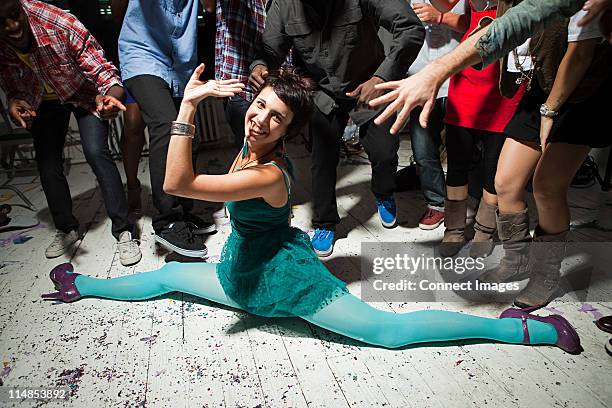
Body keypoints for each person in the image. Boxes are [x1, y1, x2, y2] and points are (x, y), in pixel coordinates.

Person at [42, 66, 581, 354]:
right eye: (258, 108)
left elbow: (176, 180)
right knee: (169, 276)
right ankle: (81, 284)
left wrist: (184, 106)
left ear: (287, 133)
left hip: (287, 283)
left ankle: (524, 330)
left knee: (386, 333)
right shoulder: (248, 145)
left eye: (274, 118)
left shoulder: (266, 173)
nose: (258, 120)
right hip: (240, 273)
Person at [250, 0, 426, 257]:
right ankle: (324, 223)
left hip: (369, 85)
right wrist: (259, 65)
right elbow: (270, 49)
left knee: (384, 151)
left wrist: (382, 77)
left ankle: (384, 192)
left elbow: (410, 28)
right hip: (322, 92)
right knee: (322, 159)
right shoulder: (284, 4)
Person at [481, 9, 612, 308]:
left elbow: (580, 56)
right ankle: (516, 260)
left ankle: (545, 275)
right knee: (505, 183)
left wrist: (550, 111)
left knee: (546, 186)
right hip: (543, 84)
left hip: (585, 92)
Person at [0, 0, 142, 266]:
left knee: (95, 150)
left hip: (86, 93)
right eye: (1, 22)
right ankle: (67, 228)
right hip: (44, 99)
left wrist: (110, 97)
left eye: (14, 15)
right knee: (47, 160)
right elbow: (11, 81)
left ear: (21, 5)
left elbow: (104, 72)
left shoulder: (59, 23)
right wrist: (14, 100)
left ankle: (124, 230)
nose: (12, 26)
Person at [369, 0, 611, 132]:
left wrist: (549, 112)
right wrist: (436, 70)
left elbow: (579, 55)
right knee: (511, 184)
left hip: (572, 90)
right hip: (528, 82)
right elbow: (515, 23)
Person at [118, 0, 216, 258]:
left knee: (188, 135)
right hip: (142, 55)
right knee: (166, 125)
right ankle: (168, 220)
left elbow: (210, 7)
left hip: (180, 64)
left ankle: (184, 211)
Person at [406, 1, 469, 231]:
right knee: (423, 148)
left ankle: (467, 202)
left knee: (461, 149)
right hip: (421, 81)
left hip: (460, 80)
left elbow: (480, 27)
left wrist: (441, 18)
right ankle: (437, 203)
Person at [110, 0, 147, 215]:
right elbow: (118, 15)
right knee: (133, 123)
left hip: (172, 50)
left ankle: (174, 188)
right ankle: (132, 183)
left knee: (169, 122)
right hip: (138, 51)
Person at [214, 0, 267, 147]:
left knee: (269, 150)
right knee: (249, 150)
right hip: (238, 87)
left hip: (269, 85)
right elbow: (209, 7)